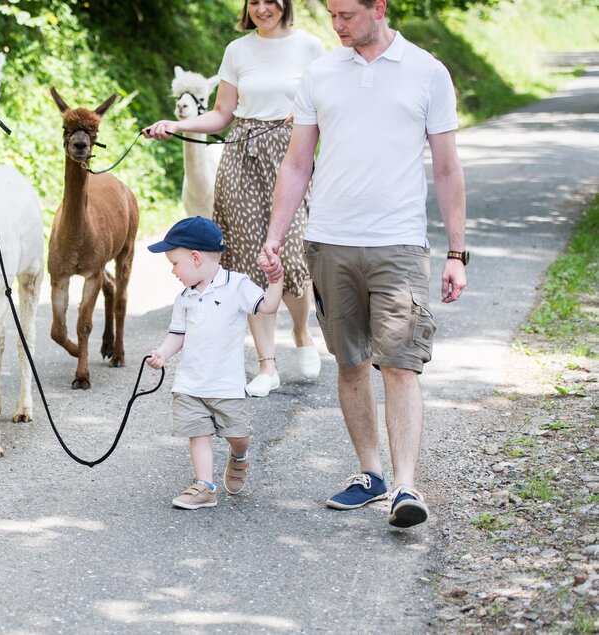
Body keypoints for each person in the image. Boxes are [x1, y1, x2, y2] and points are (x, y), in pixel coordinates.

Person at [258, 0, 468, 528]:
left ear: (379, 8)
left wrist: (456, 252)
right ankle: (370, 474)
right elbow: (297, 163)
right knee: (350, 364)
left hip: (398, 245)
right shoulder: (321, 74)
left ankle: (404, 486)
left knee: (400, 364)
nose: (337, 25)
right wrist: (275, 235)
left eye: (346, 14)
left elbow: (446, 169)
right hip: (329, 242)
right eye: (331, 14)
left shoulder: (427, 72)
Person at [144, 0, 325, 398]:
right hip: (242, 154)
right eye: (255, 1)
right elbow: (222, 114)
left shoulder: (311, 47)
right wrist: (177, 125)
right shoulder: (237, 51)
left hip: (290, 154)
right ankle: (266, 364)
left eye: (271, 0)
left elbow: (329, 104)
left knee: (292, 253)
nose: (263, 8)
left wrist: (309, 114)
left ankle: (301, 333)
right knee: (246, 260)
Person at [146, 217, 283, 509]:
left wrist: (275, 281)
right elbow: (177, 334)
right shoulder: (184, 297)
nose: (172, 271)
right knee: (198, 434)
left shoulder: (237, 285)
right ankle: (204, 486)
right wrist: (162, 354)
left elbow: (267, 307)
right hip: (190, 385)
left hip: (226, 385)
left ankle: (240, 454)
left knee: (238, 434)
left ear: (195, 258)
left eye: (174, 263)